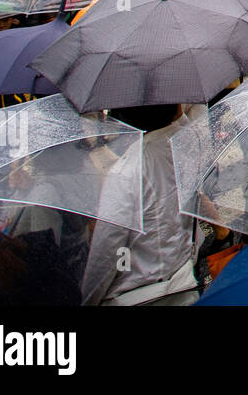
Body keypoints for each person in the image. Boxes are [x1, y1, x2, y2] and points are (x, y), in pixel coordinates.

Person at [80, 104, 199, 305]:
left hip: (139, 296)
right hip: (184, 285)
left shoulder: (126, 171)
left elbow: (107, 254)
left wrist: (87, 299)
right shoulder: (185, 144)